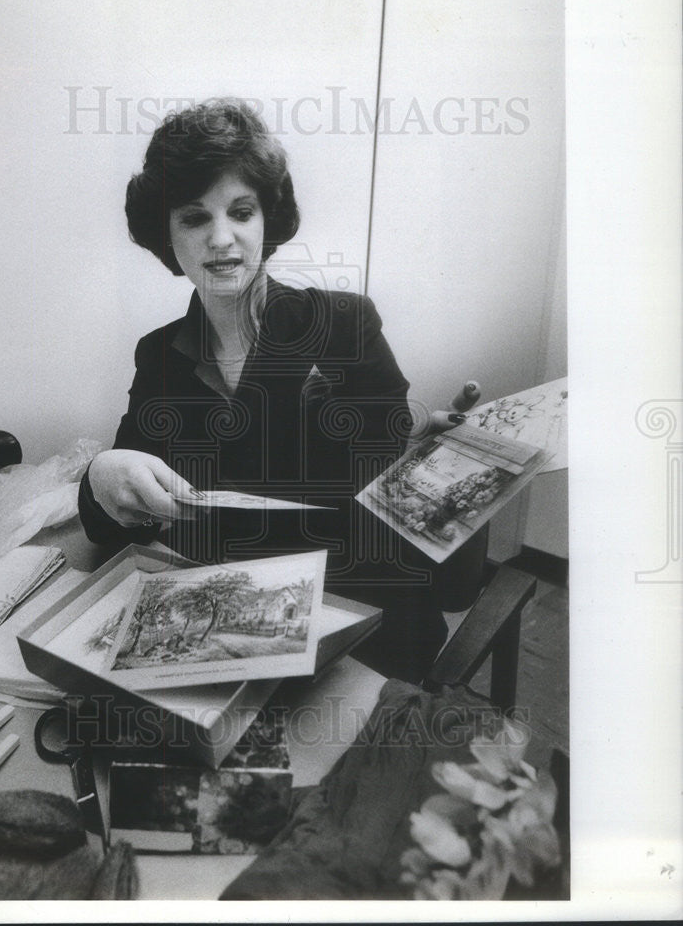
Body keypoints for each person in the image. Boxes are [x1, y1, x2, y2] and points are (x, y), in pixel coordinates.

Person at [79, 98, 482, 682]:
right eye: (195, 218)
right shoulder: (161, 356)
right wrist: (103, 474)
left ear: (267, 221)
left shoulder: (346, 324)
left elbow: (392, 514)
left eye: (241, 212)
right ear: (168, 238)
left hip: (353, 627)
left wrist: (431, 462)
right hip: (218, 633)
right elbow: (113, 523)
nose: (222, 239)